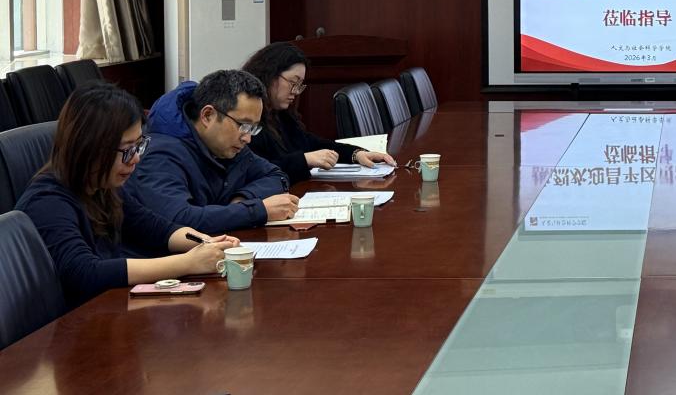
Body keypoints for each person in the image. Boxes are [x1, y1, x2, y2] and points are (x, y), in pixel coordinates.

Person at [16, 84, 239, 309]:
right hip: (74, 319)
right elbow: (84, 273)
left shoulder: (101, 185)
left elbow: (154, 228)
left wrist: (208, 244)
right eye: (127, 150)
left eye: (139, 146)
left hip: (105, 308)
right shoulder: (47, 201)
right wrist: (187, 263)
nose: (135, 159)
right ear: (90, 148)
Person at [127, 69, 298, 234]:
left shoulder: (229, 146)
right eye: (243, 125)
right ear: (207, 115)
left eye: (253, 128)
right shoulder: (161, 155)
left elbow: (276, 176)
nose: (247, 138)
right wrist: (255, 211)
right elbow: (179, 220)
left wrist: (242, 200)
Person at [242, 42, 396, 184]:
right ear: (269, 76)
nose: (295, 91)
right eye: (293, 83)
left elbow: (312, 143)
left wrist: (356, 154)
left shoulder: (280, 114)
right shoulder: (248, 119)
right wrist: (305, 160)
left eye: (300, 85)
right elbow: (256, 171)